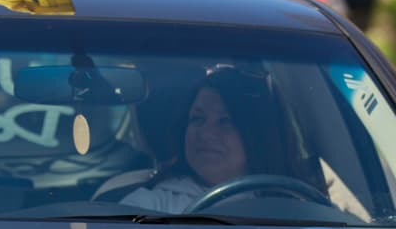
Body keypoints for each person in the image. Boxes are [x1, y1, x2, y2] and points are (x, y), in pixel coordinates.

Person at [120, 68, 291, 214]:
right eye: (197, 119)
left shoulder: (294, 210)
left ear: (256, 135)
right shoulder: (147, 206)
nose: (206, 134)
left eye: (225, 121)